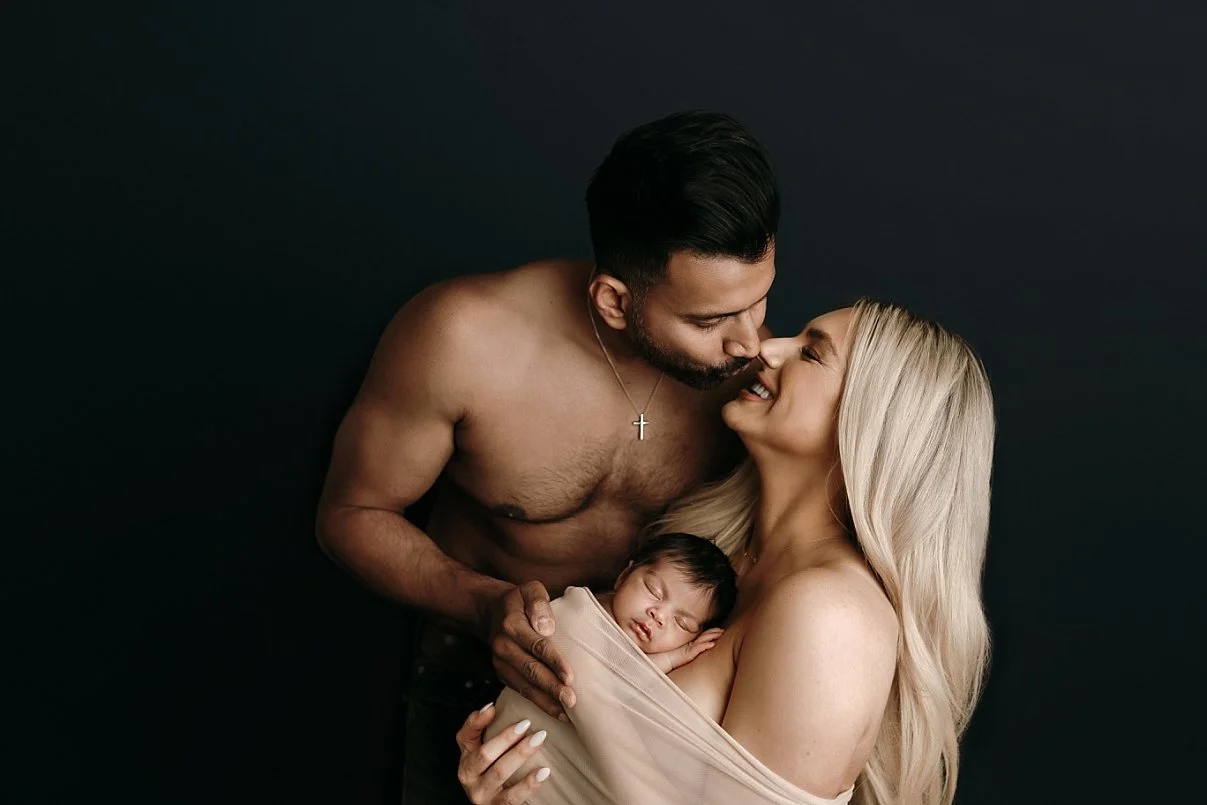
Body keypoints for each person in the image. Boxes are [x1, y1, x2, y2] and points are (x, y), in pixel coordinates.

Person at [313, 109, 780, 804]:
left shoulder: (755, 381)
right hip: (481, 681)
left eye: (760, 301)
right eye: (710, 320)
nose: (751, 342)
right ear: (614, 301)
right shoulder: (463, 339)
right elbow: (350, 514)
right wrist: (483, 603)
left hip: (666, 698)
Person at [454, 299, 996, 805]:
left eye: (810, 353)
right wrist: (505, 783)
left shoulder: (832, 615)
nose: (766, 348)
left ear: (871, 423)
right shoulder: (714, 551)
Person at [596, 531, 736, 674]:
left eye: (682, 623)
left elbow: (626, 675)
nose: (659, 616)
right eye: (653, 591)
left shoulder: (643, 662)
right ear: (625, 574)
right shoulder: (588, 607)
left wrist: (675, 657)